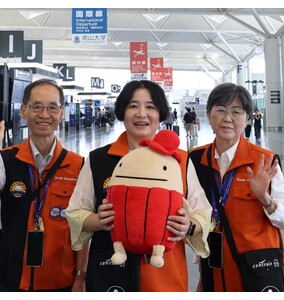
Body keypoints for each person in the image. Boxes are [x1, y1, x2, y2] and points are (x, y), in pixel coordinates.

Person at [66, 80, 212, 292]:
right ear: (122, 111)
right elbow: (75, 212)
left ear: (161, 113)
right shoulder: (98, 160)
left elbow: (204, 213)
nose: (141, 114)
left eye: (150, 107)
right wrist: (99, 220)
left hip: (164, 275)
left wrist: (187, 226)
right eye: (133, 106)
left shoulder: (180, 160)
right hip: (110, 272)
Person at [0, 79, 88, 292]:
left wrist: (80, 276)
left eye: (52, 107)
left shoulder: (78, 165)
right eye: (36, 107)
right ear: (24, 111)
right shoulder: (5, 159)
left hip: (60, 279)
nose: (44, 114)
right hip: (12, 276)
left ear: (61, 113)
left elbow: (83, 230)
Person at [189, 83, 284, 292]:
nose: (227, 118)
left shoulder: (264, 160)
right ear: (209, 115)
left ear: (247, 119)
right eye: (220, 110)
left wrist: (265, 198)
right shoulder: (195, 160)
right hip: (213, 266)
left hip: (257, 268)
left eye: (236, 112)